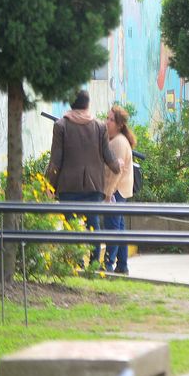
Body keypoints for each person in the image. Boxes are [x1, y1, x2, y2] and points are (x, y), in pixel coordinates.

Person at [46, 90, 121, 265]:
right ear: (87, 104)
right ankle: (94, 263)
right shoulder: (100, 127)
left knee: (70, 226)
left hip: (68, 186)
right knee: (93, 225)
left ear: (71, 104)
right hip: (93, 186)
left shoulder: (61, 126)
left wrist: (49, 185)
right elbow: (107, 155)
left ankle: (75, 261)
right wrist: (117, 166)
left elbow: (55, 160)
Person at [102, 106, 135, 274]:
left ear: (120, 125)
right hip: (119, 190)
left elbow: (117, 171)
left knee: (112, 228)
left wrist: (108, 194)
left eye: (111, 120)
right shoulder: (115, 140)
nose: (107, 122)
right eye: (107, 118)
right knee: (119, 228)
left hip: (116, 191)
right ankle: (122, 265)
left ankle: (109, 264)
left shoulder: (119, 142)